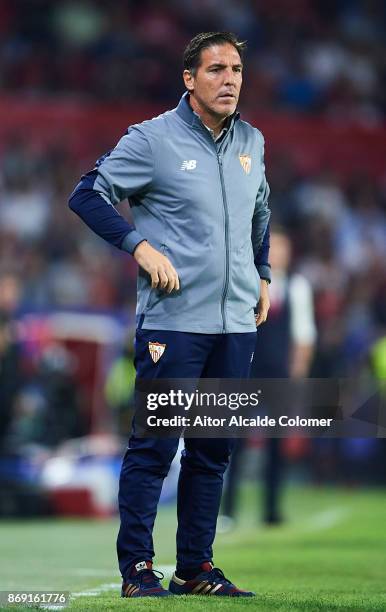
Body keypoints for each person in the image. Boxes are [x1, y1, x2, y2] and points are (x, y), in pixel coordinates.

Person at [69, 31, 271, 598]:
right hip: (173, 322)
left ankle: (195, 569)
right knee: (155, 448)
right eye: (216, 70)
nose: (230, 79)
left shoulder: (252, 140)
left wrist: (264, 273)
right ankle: (137, 570)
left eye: (236, 69)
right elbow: (87, 194)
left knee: (211, 450)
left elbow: (261, 214)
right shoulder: (151, 140)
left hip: (234, 325)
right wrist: (139, 246)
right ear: (189, 78)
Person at [222, 226, 316, 526]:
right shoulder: (247, 282)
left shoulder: (297, 288)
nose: (278, 254)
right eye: (273, 248)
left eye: (283, 248)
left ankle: (272, 510)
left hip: (277, 376)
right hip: (246, 372)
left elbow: (303, 337)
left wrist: (296, 379)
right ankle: (228, 508)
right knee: (233, 441)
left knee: (277, 445)